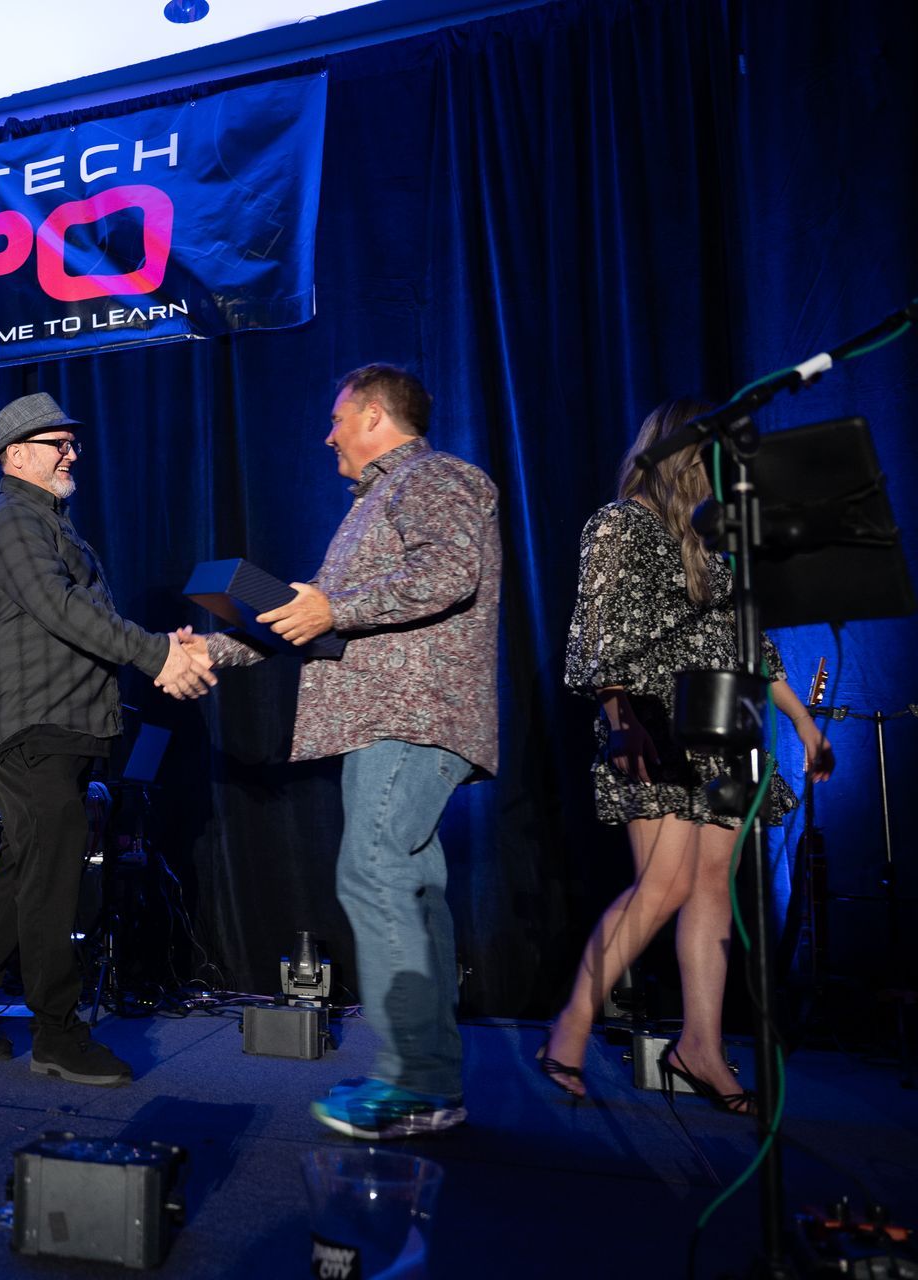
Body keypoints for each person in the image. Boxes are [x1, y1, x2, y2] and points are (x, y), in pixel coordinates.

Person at [206, 364, 500, 1139]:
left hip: (410, 714)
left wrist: (338, 604)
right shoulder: (373, 507)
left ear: (373, 416)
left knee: (373, 869)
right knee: (409, 886)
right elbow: (314, 621)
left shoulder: (434, 477)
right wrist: (205, 651)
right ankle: (431, 1081)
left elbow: (448, 570)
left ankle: (414, 1083)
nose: (327, 434)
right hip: (392, 721)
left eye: (338, 418)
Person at [543, 398, 834, 1109]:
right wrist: (621, 718)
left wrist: (802, 725)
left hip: (724, 725)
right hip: (656, 722)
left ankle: (700, 1045)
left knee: (713, 889)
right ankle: (569, 1028)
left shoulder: (712, 543)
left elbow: (753, 644)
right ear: (683, 452)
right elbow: (599, 631)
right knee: (663, 886)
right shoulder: (619, 523)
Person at [0, 391, 215, 1086]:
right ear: (16, 455)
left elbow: (83, 617)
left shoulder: (50, 526)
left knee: (28, 869)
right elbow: (59, 611)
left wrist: (161, 649)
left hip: (70, 723)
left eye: (71, 443)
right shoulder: (8, 523)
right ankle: (57, 1033)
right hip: (35, 727)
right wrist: (157, 657)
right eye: (57, 443)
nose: (72, 453)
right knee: (51, 878)